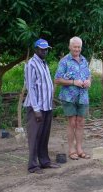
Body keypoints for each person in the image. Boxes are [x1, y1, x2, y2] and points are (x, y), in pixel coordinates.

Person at [23, 39, 60, 174]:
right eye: (41, 49)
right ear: (36, 50)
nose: (44, 51)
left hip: (47, 106)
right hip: (36, 108)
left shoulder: (44, 63)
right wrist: (36, 110)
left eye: (46, 49)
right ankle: (33, 166)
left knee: (44, 136)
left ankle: (44, 161)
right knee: (34, 136)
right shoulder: (31, 65)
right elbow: (31, 88)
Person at [54, 36, 91, 160]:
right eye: (75, 47)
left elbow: (89, 76)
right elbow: (57, 79)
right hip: (69, 97)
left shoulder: (84, 60)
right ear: (70, 47)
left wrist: (88, 82)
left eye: (79, 47)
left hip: (83, 96)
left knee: (80, 123)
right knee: (72, 122)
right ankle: (71, 149)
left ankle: (80, 148)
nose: (77, 49)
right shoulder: (64, 61)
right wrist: (73, 82)